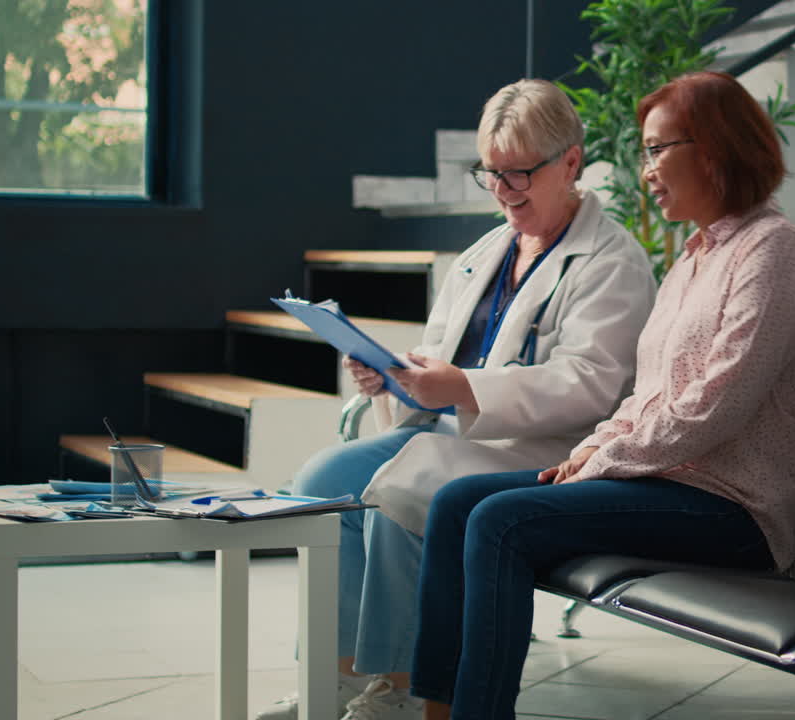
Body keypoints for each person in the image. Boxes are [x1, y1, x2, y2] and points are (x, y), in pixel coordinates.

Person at [409, 71, 795, 720]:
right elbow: (646, 395)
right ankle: (435, 710)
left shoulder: (773, 251)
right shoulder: (693, 259)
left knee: (501, 520)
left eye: (659, 149)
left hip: (734, 505)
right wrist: (595, 448)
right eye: (645, 152)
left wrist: (599, 463)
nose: (646, 169)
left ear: (715, 150)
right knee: (457, 500)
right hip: (668, 484)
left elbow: (716, 407)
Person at [254, 79, 656, 720]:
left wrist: (462, 387)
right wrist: (395, 377)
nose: (503, 192)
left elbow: (591, 383)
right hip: (454, 434)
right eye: (491, 174)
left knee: (405, 487)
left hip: (543, 449)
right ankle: (337, 674)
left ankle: (406, 684)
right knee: (321, 480)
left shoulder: (612, 262)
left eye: (519, 174)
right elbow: (440, 353)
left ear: (572, 162)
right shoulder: (485, 253)